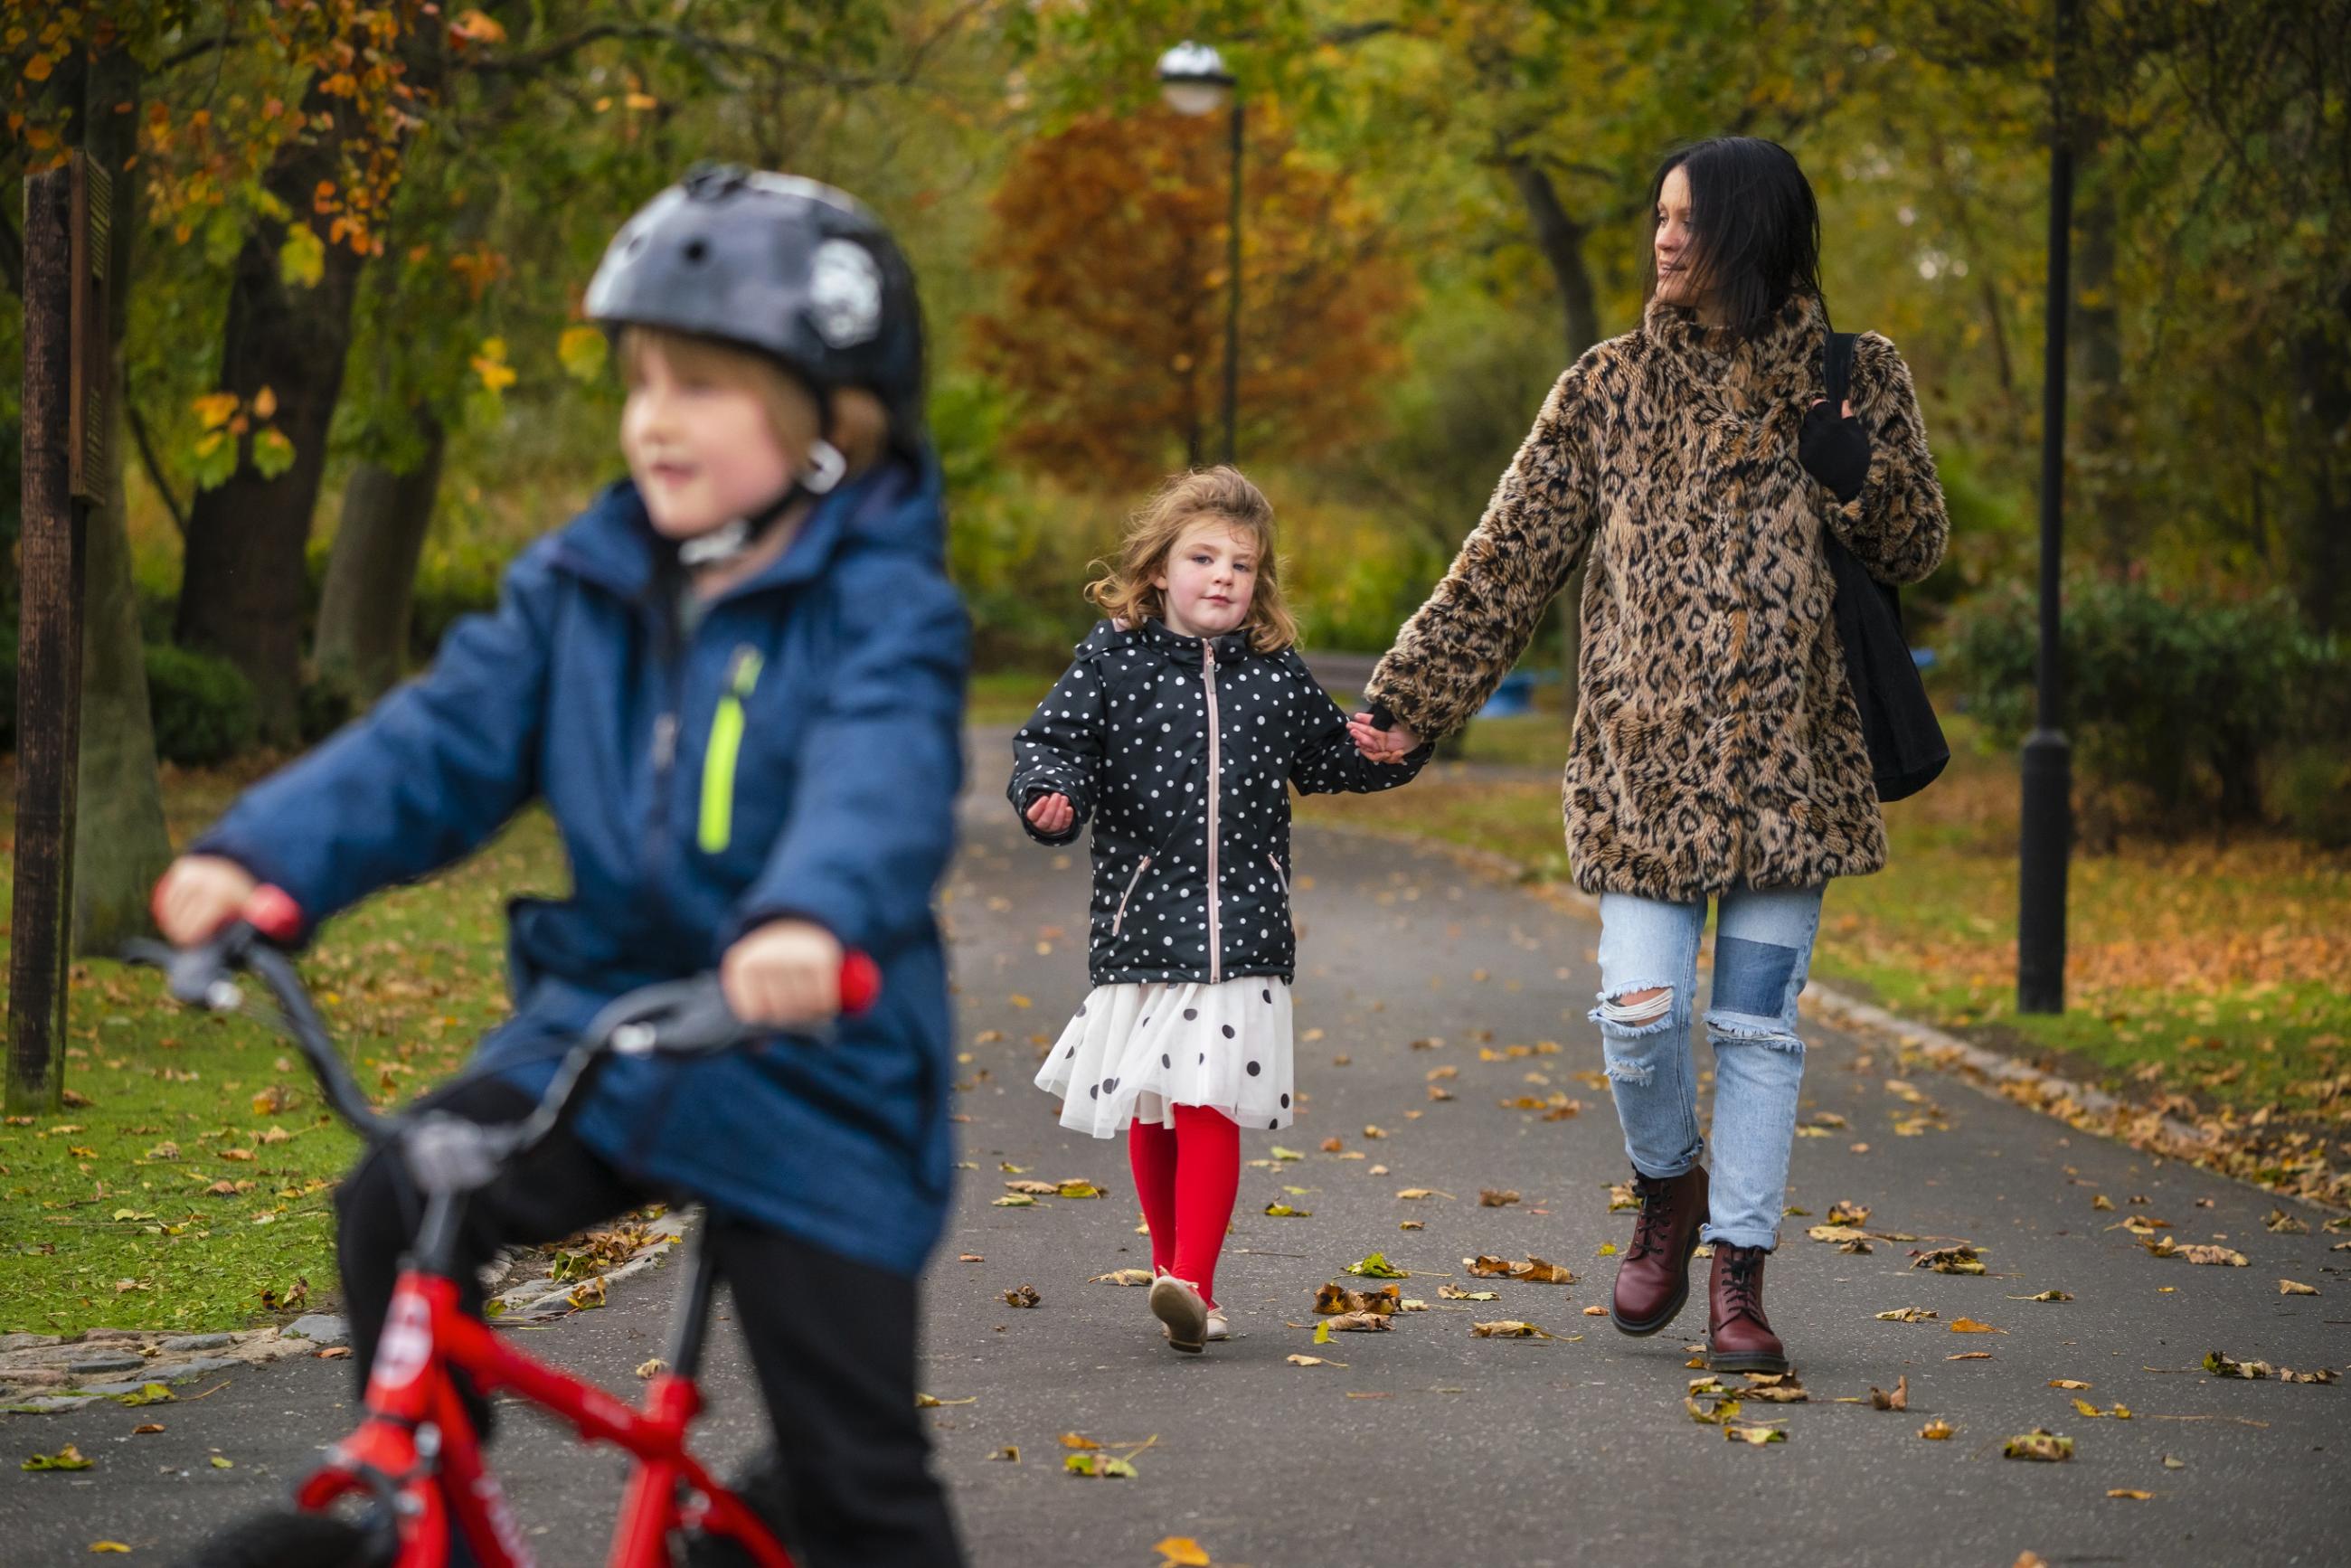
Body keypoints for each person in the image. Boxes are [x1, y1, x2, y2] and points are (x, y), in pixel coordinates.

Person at [150, 165, 969, 1564]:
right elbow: (437, 741)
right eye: (640, 381)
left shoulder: (882, 605)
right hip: (615, 1029)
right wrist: (257, 855)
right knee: (401, 1194)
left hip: (812, 1068)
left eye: (703, 385)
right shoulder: (586, 588)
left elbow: (876, 777)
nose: (654, 418)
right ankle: (436, 1522)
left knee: (858, 1478)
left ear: (832, 421)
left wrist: (807, 917)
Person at [1349, 137, 1950, 1375]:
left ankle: (1738, 1273)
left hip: (1798, 773)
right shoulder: (1607, 386)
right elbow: (1510, 554)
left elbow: (1917, 544)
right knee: (1638, 1014)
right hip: (1640, 774)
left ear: (1750, 234)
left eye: (1686, 220)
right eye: (1656, 217)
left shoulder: (1856, 376)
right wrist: (1412, 698)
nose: (1663, 240)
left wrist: (1856, 478)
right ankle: (1666, 1187)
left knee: (1759, 1031)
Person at [1008, 467, 1428, 1352]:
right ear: (1159, 568)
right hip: (1140, 921)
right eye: (1202, 556)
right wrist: (1049, 794)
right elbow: (1054, 744)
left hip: (1242, 927)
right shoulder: (1110, 662)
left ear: (1257, 583)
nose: (1222, 575)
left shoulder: (1271, 675)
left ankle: (1192, 1280)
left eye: (1242, 563)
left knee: (1208, 1100)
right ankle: (1172, 1272)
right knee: (1155, 1103)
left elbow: (1326, 758)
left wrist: (1390, 749)